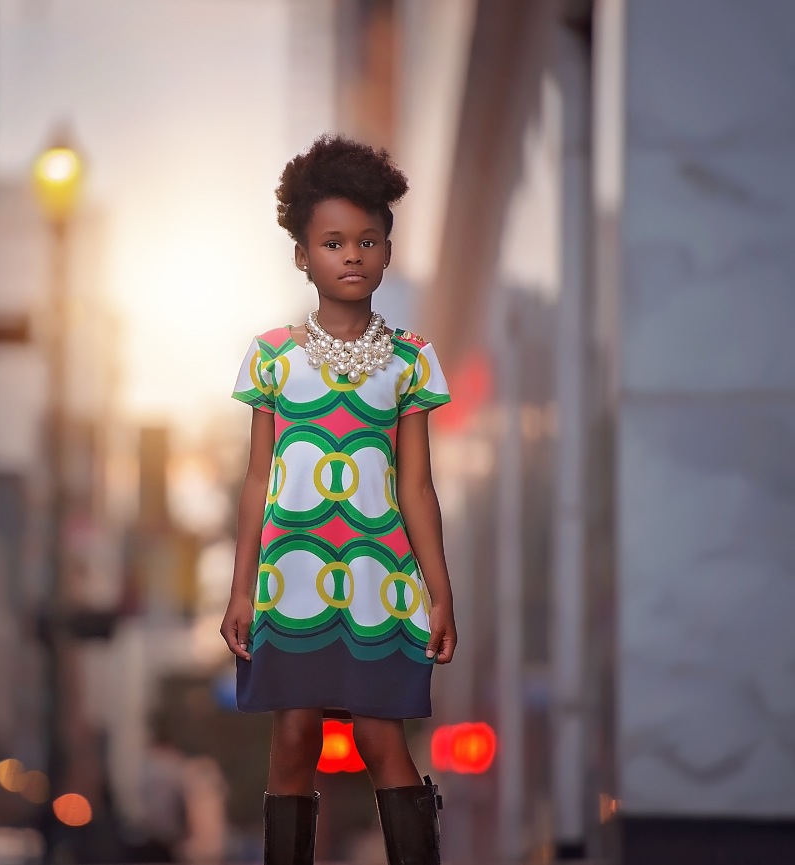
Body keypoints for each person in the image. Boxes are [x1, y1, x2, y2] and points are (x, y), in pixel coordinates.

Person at [220, 135, 457, 865]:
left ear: (386, 251)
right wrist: (238, 591)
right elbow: (256, 480)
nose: (351, 254)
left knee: (381, 736)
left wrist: (439, 591)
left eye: (367, 240)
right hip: (287, 580)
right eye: (332, 241)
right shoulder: (270, 356)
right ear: (302, 255)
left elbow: (415, 484)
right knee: (292, 736)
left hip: (379, 579)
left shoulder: (411, 357)